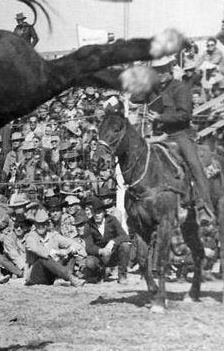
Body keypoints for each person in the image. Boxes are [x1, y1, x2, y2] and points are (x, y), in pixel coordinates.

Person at [135, 55, 216, 228]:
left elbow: (185, 115)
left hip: (180, 134)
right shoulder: (153, 88)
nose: (162, 73)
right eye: (158, 70)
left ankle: (204, 207)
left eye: (165, 69)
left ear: (171, 68)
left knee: (194, 164)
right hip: (158, 135)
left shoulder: (181, 87)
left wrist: (161, 116)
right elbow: (134, 98)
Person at [24, 208, 86, 286]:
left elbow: (73, 243)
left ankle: (61, 278)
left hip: (52, 272)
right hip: (35, 275)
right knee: (43, 259)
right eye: (38, 224)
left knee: (72, 253)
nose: (41, 226)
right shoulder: (31, 236)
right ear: (35, 224)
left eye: (43, 223)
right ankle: (69, 277)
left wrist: (72, 250)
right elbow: (36, 250)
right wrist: (58, 253)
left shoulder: (53, 235)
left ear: (47, 224)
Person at [80, 198, 131, 284]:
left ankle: (122, 274)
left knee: (125, 246)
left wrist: (112, 242)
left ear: (104, 212)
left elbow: (124, 236)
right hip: (99, 256)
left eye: (99, 212)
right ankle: (100, 273)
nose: (97, 215)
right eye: (94, 212)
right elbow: (88, 247)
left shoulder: (112, 220)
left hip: (113, 255)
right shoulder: (88, 224)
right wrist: (100, 251)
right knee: (89, 262)